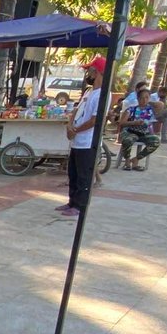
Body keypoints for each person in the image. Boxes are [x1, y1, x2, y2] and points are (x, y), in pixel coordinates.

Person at [58, 55, 105, 218]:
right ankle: (72, 201)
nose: (88, 75)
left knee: (84, 176)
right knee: (73, 174)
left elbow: (94, 120)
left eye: (90, 71)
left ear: (97, 72)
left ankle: (80, 206)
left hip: (88, 142)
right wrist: (70, 126)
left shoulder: (103, 95)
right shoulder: (89, 91)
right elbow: (77, 110)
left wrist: (76, 130)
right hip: (77, 141)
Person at [118, 87, 160, 171]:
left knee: (156, 141)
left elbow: (160, 106)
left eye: (146, 97)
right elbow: (122, 123)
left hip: (144, 133)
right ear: (137, 98)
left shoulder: (150, 110)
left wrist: (150, 102)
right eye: (141, 98)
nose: (144, 100)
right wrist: (134, 123)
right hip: (130, 132)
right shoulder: (131, 109)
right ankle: (127, 161)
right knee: (128, 140)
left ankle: (136, 159)